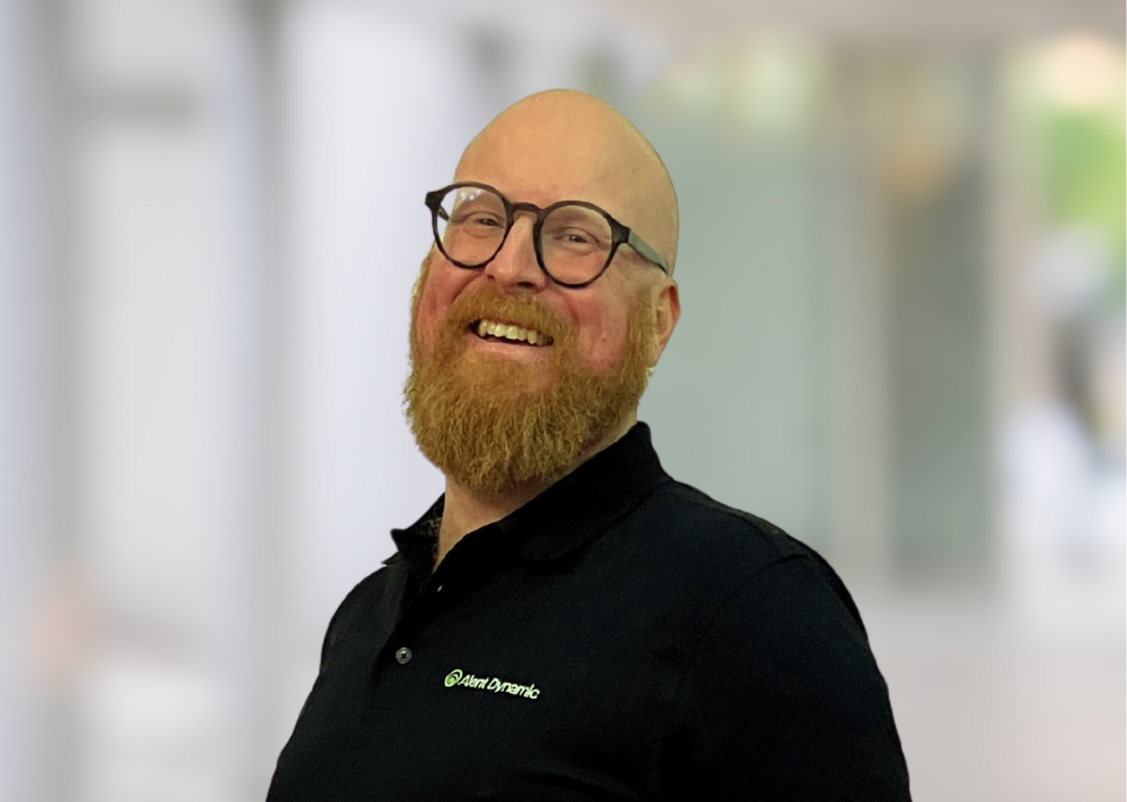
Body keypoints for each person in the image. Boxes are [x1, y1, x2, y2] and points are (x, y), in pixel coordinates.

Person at [266, 89, 911, 801]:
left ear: (657, 322)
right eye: (481, 218)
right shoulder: (367, 616)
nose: (509, 266)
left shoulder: (755, 613)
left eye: (574, 235)